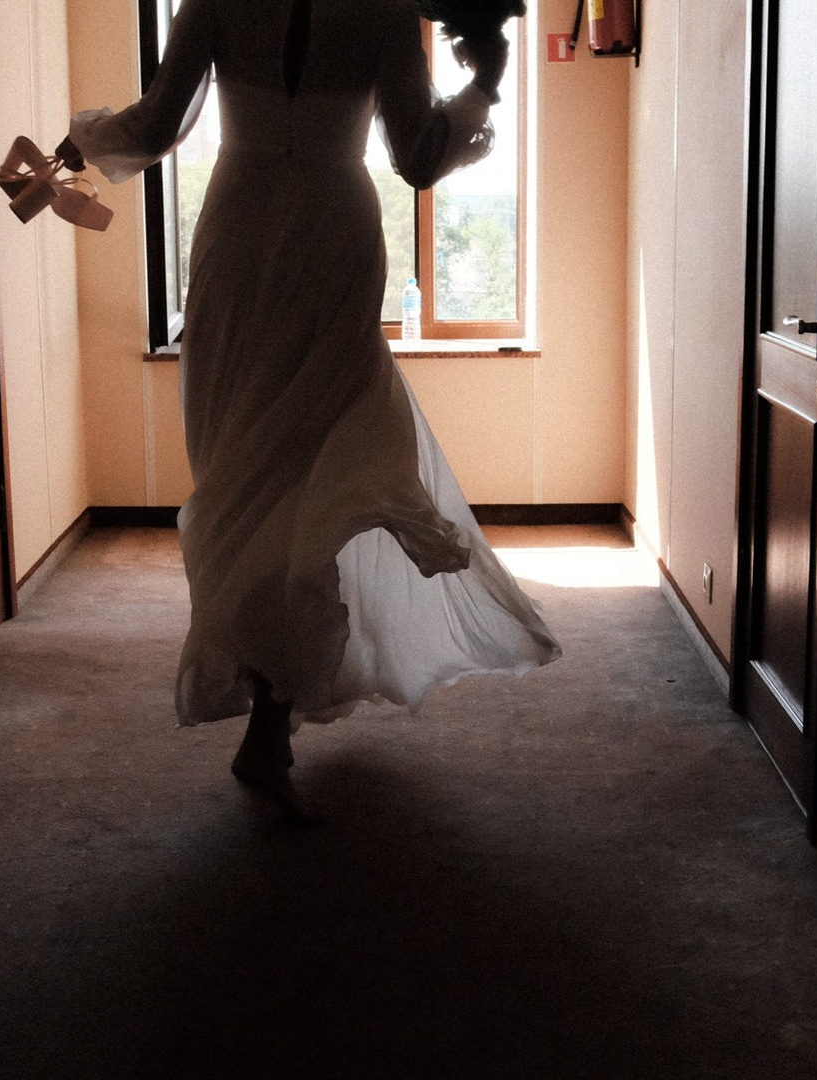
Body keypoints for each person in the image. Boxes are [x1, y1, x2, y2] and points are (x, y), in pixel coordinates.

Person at [58, 0, 560, 819]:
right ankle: (270, 710)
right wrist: (486, 81)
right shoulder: (383, 9)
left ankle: (270, 705)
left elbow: (155, 126)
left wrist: (77, 144)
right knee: (311, 462)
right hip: (332, 229)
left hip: (241, 231)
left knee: (245, 468)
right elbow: (417, 158)